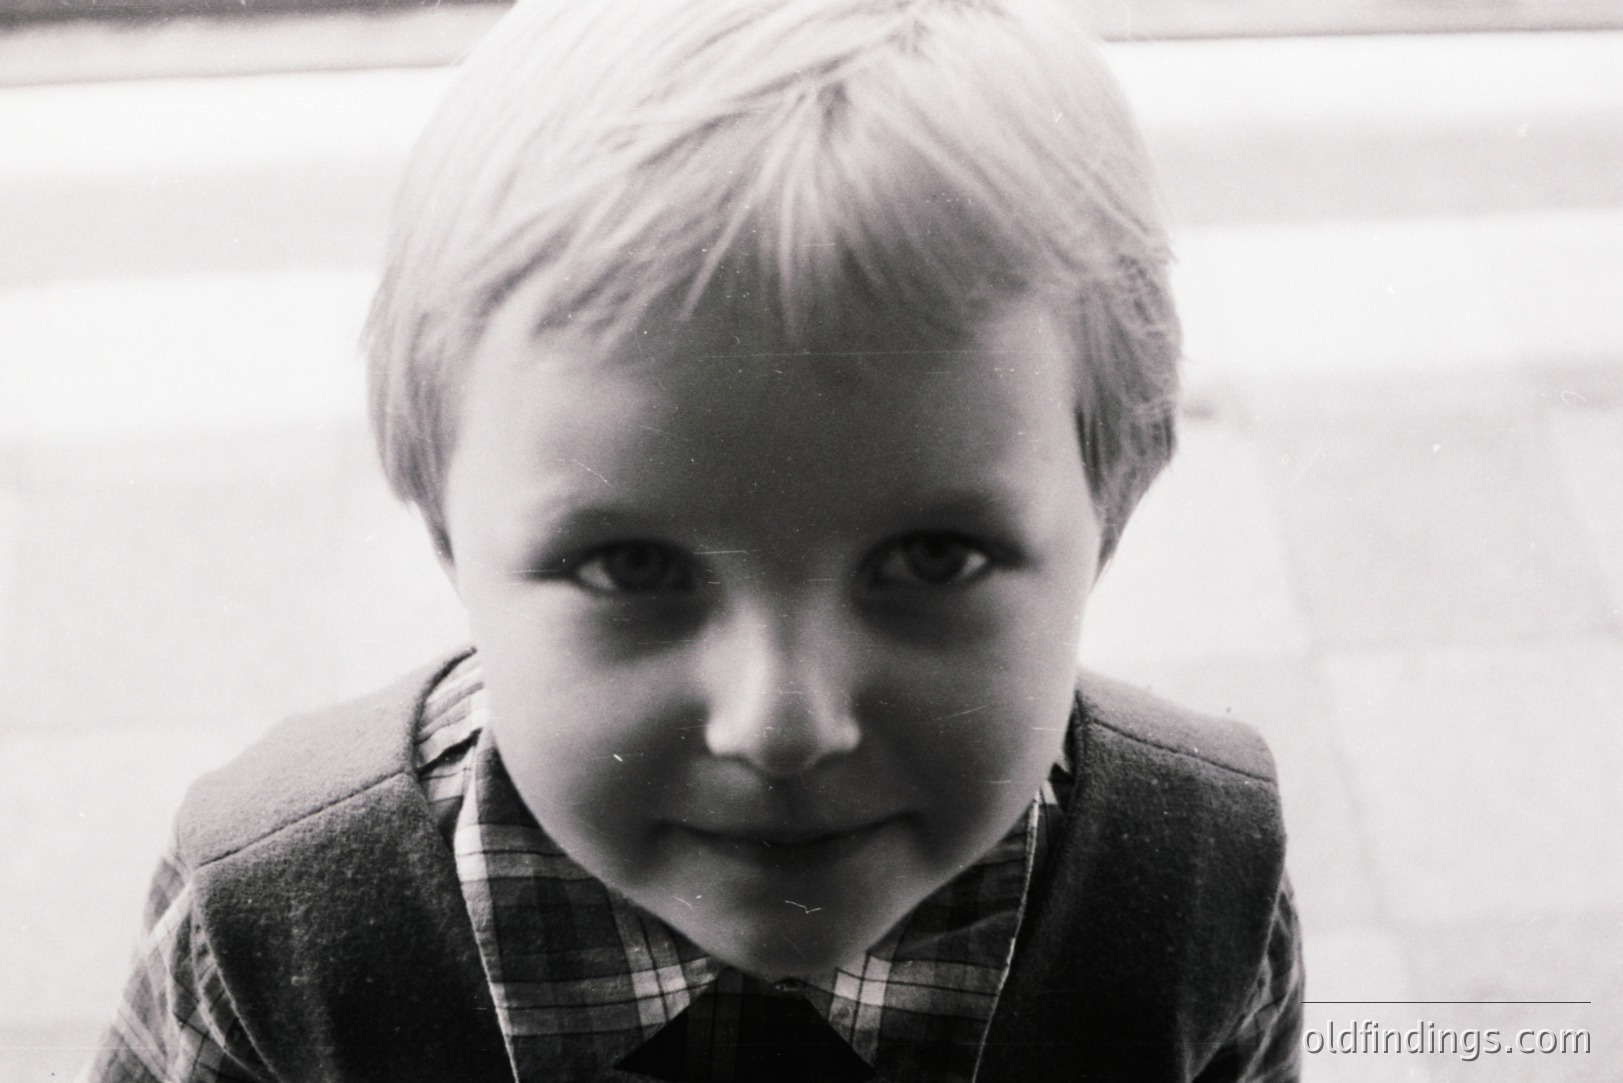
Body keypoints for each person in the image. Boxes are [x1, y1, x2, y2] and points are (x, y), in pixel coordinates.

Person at [86, 1, 1301, 1079]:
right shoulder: (273, 931)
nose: (781, 724)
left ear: (1114, 506)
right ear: (447, 529)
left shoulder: (1198, 885)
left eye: (932, 559)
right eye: (633, 567)